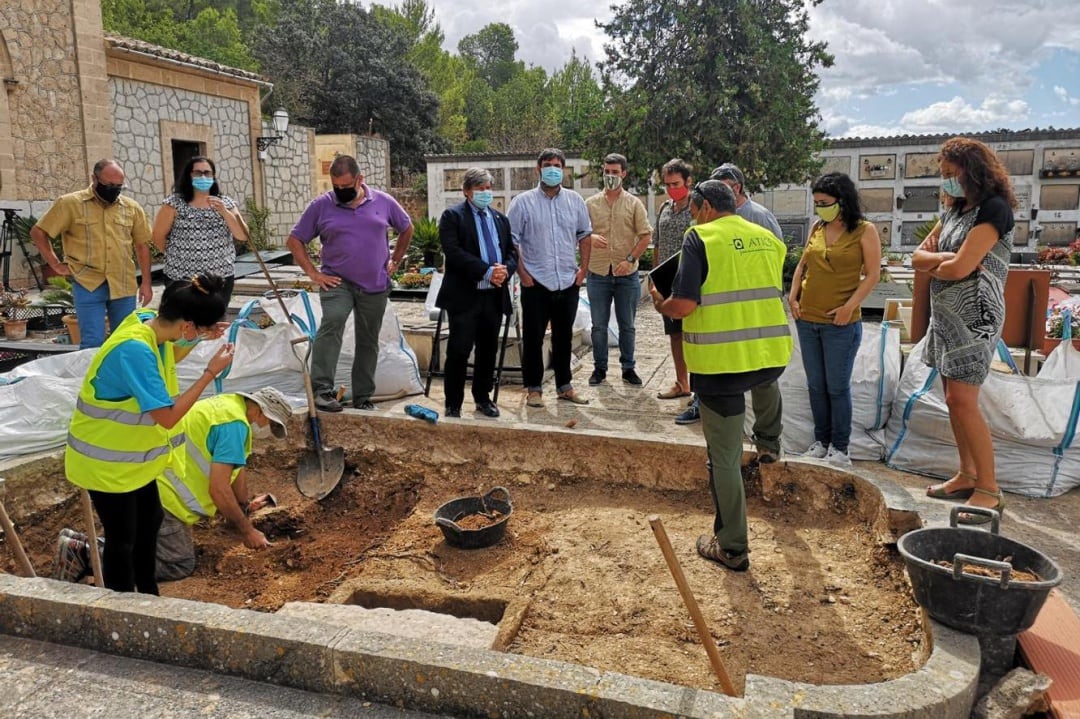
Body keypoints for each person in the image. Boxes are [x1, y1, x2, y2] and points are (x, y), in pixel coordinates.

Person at [649, 181, 791, 571]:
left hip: (722, 363)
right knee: (764, 385)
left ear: (707, 206)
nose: (693, 217)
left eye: (695, 210)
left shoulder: (701, 238)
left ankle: (731, 547)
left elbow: (685, 305)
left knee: (724, 459)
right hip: (768, 353)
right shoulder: (768, 238)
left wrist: (660, 300)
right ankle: (769, 441)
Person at [63, 274, 233, 594]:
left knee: (149, 525)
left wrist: (199, 336)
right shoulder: (135, 351)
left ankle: (148, 594)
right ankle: (123, 608)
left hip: (134, 462)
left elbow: (174, 347)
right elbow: (167, 417)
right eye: (195, 329)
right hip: (106, 464)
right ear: (186, 325)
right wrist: (210, 372)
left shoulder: (148, 322)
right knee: (122, 539)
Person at [55, 387, 289, 583]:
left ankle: (80, 543)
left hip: (146, 484)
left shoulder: (227, 406)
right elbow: (218, 489)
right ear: (259, 409)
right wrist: (247, 531)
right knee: (178, 563)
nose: (264, 427)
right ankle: (85, 553)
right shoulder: (234, 426)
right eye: (268, 421)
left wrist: (243, 507)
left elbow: (237, 472)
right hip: (163, 499)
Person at [913, 137, 1015, 524]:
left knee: (963, 400)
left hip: (977, 318)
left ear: (972, 171)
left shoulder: (994, 210)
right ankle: (966, 474)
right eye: (943, 176)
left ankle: (989, 488)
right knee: (952, 396)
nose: (946, 183)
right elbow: (920, 257)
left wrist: (941, 263)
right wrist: (943, 259)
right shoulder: (955, 211)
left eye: (950, 175)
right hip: (946, 317)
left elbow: (960, 269)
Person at [286, 155, 414, 412]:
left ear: (359, 179)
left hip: (374, 283)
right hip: (337, 281)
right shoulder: (321, 206)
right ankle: (323, 390)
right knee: (332, 322)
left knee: (368, 339)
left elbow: (406, 228)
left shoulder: (383, 202)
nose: (341, 192)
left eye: (346, 187)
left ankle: (363, 397)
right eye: (336, 187)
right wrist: (314, 273)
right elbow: (294, 240)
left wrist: (396, 260)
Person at [675, 161, 786, 426]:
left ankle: (763, 441)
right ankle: (766, 443)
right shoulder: (705, 232)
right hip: (726, 317)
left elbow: (771, 270)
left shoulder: (759, 218)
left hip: (751, 319)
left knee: (752, 381)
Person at [787, 173, 881, 467]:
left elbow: (873, 275)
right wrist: (792, 297)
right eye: (816, 203)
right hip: (808, 320)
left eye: (825, 203)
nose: (820, 208)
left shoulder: (864, 231)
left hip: (840, 325)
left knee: (837, 387)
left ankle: (840, 449)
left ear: (842, 200)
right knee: (816, 385)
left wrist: (848, 307)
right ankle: (821, 441)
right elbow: (803, 264)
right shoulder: (817, 227)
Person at [31, 159, 153, 348]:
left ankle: (118, 377)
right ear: (94, 179)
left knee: (125, 341)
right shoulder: (70, 204)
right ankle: (91, 378)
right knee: (92, 342)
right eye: (109, 185)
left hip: (123, 283)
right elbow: (38, 232)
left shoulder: (132, 208)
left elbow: (142, 246)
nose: (114, 189)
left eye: (119, 186)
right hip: (88, 283)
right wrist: (55, 264)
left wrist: (146, 283)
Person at [507, 148, 595, 408]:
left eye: (557, 165)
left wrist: (583, 271)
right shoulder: (522, 203)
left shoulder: (575, 201)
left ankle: (564, 386)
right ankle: (534, 389)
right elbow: (511, 241)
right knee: (534, 338)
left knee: (563, 337)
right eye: (548, 165)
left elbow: (585, 235)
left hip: (568, 281)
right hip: (536, 282)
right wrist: (522, 274)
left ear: (564, 169)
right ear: (538, 169)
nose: (553, 169)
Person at [436, 168, 518, 418]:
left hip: (493, 297)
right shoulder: (453, 216)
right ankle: (453, 403)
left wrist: (505, 270)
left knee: (487, 350)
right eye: (479, 188)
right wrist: (486, 271)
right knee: (459, 350)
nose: (485, 193)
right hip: (465, 297)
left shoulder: (499, 219)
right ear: (467, 191)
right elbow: (453, 252)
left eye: (487, 188)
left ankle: (483, 398)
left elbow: (511, 252)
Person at [584, 153, 653, 386]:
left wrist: (631, 258)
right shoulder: (590, 203)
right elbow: (580, 232)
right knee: (598, 326)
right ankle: (600, 369)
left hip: (627, 274)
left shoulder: (634, 203)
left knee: (627, 325)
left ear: (623, 173)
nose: (610, 176)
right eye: (607, 172)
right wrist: (590, 237)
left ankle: (628, 367)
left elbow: (645, 235)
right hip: (598, 272)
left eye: (615, 172)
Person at [152, 156, 249, 302]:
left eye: (207, 173)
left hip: (220, 277)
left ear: (213, 176)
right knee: (184, 321)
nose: (203, 177)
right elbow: (158, 236)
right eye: (197, 173)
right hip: (182, 278)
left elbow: (242, 235)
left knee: (214, 321)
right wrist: (177, 254)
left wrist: (224, 212)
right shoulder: (173, 204)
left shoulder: (226, 203)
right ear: (189, 175)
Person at [654, 159, 695, 404]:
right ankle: (682, 383)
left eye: (676, 183)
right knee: (675, 335)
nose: (672, 188)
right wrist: (654, 278)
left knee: (695, 335)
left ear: (688, 182)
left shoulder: (699, 208)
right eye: (667, 184)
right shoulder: (664, 208)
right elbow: (657, 243)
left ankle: (701, 388)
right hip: (668, 282)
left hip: (691, 281)